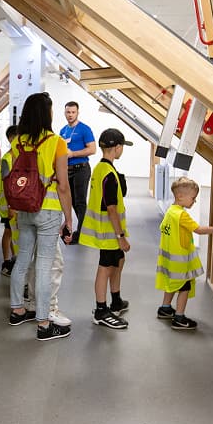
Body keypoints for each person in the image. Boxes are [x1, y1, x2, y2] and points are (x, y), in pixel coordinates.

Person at [7, 93, 73, 341]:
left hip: (24, 207)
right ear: (47, 113)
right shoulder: (56, 142)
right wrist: (69, 218)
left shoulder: (18, 141)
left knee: (22, 259)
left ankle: (17, 310)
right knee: (44, 265)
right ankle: (44, 324)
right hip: (48, 208)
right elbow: (63, 185)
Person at [156, 177, 213, 331]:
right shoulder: (181, 215)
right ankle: (179, 318)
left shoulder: (170, 211)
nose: (194, 201)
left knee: (171, 284)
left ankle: (165, 308)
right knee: (184, 287)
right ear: (180, 196)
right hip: (180, 264)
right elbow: (199, 230)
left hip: (169, 262)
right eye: (193, 198)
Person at [80, 129, 133, 330]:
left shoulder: (101, 168)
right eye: (122, 147)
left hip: (108, 231)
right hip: (109, 232)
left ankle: (116, 301)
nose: (122, 150)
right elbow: (111, 209)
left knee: (119, 261)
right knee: (105, 268)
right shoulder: (109, 174)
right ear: (117, 147)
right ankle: (101, 310)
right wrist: (121, 237)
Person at [59, 101, 95, 243]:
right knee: (72, 201)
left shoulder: (84, 129)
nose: (70, 115)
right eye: (68, 112)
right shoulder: (63, 131)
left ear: (77, 113)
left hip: (81, 169)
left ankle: (81, 234)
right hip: (68, 170)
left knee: (80, 202)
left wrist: (73, 154)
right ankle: (82, 229)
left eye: (73, 112)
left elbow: (92, 149)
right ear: (65, 113)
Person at [0, 125, 18, 276]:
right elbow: (7, 183)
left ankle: (14, 259)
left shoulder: (19, 156)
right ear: (11, 139)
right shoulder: (6, 159)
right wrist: (11, 205)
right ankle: (6, 262)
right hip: (9, 203)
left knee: (13, 232)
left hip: (16, 203)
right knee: (8, 231)